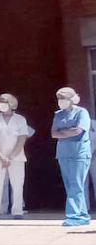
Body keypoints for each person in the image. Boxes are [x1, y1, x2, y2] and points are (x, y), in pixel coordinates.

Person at [0, 93, 31, 219]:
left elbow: (22, 139)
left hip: (17, 157)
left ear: (12, 104)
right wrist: (1, 157)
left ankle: (17, 211)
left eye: (5, 102)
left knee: (17, 184)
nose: (2, 105)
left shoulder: (20, 119)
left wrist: (11, 156)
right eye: (0, 102)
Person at [51, 86, 91, 227]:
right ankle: (82, 214)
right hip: (63, 153)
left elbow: (79, 130)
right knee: (71, 185)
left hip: (79, 153)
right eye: (59, 99)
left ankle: (74, 216)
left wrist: (63, 132)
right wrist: (68, 131)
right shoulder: (59, 114)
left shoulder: (82, 112)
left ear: (70, 99)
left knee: (76, 184)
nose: (60, 102)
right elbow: (54, 133)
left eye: (63, 99)